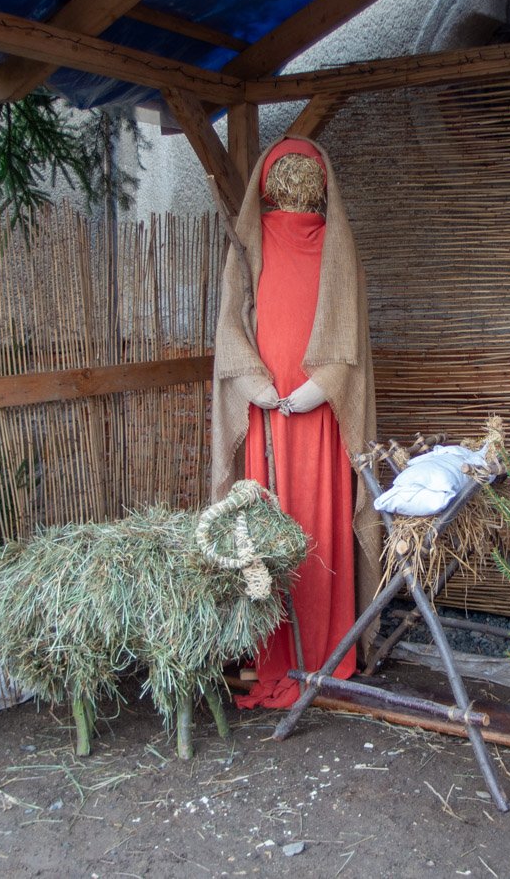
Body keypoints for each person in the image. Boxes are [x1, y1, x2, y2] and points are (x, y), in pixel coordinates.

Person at [210, 136, 379, 710]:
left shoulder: (339, 250)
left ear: (322, 185)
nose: (298, 183)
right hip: (267, 417)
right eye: (289, 175)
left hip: (319, 418)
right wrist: (252, 381)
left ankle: (328, 648)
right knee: (267, 526)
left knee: (318, 523)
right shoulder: (249, 246)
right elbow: (231, 322)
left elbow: (348, 334)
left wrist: (323, 385)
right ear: (268, 183)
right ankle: (269, 655)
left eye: (306, 175)